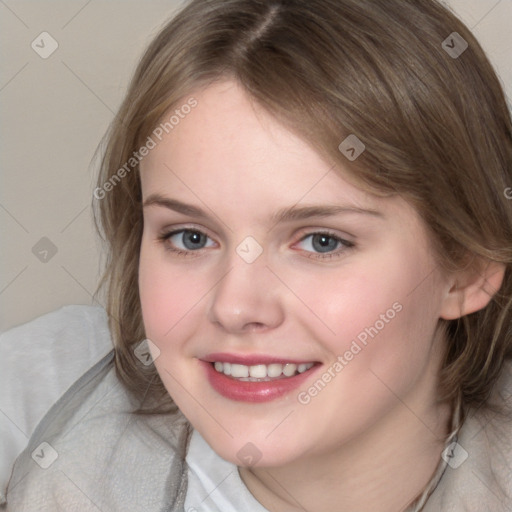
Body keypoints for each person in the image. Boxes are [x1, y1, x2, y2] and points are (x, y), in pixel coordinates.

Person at [3, 0, 512, 510]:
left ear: (467, 267)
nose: (235, 307)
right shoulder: (41, 395)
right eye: (190, 237)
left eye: (321, 241)